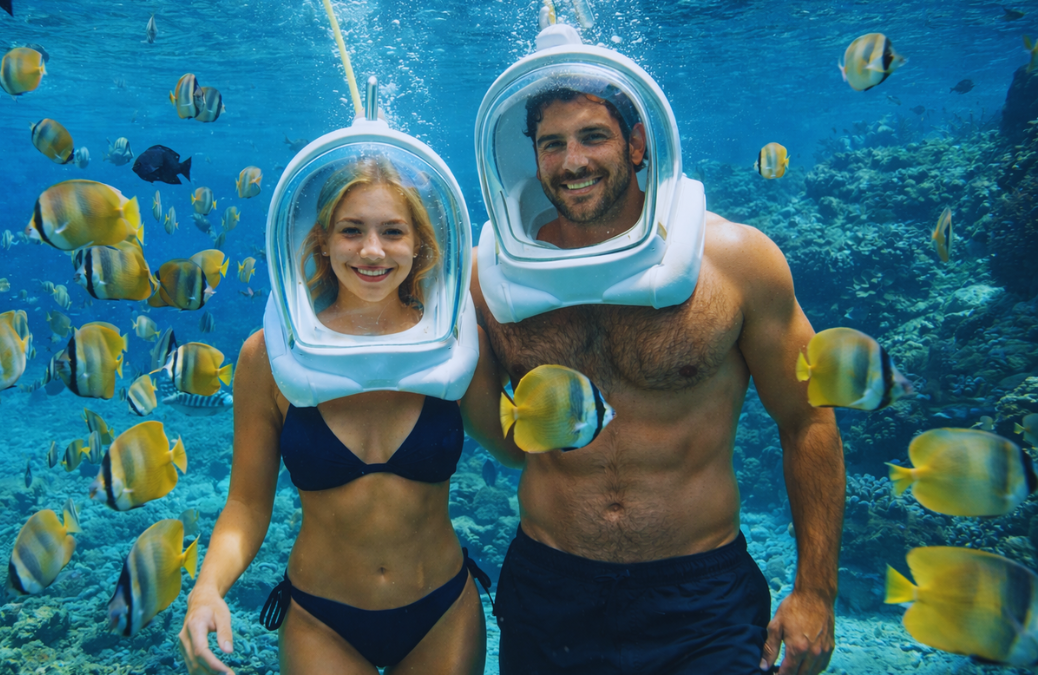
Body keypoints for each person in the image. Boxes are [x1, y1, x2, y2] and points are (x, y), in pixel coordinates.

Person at [462, 25, 844, 675]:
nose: (572, 160)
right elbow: (499, 435)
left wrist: (815, 591)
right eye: (551, 144)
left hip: (700, 597)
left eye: (592, 136)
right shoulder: (491, 276)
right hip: (549, 586)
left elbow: (807, 419)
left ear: (638, 142)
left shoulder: (736, 260)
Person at [179, 152, 503, 675]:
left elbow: (516, 447)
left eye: (393, 231)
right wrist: (206, 591)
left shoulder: (458, 346)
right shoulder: (268, 358)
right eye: (352, 230)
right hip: (320, 619)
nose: (372, 250)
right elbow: (245, 504)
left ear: (419, 244)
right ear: (322, 241)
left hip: (442, 613)